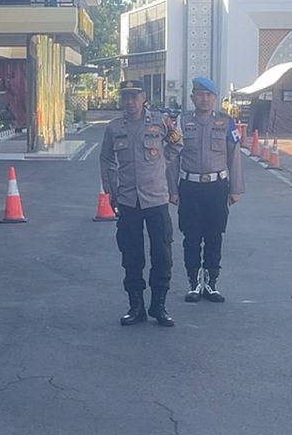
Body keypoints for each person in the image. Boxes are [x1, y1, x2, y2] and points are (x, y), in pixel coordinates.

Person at [100, 79, 182, 326]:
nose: (130, 101)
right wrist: (112, 189)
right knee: (131, 255)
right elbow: (106, 159)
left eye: (134, 96)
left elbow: (177, 143)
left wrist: (162, 164)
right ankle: (136, 306)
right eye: (126, 96)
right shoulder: (114, 128)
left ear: (144, 97)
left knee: (162, 254)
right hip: (128, 200)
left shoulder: (160, 122)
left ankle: (159, 305)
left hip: (156, 198)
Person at [176, 75, 244, 303]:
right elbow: (173, 156)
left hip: (217, 187)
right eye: (199, 94)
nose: (204, 99)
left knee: (214, 235)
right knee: (191, 236)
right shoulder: (182, 122)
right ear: (192, 97)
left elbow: (234, 156)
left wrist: (236, 188)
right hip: (190, 187)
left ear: (215, 98)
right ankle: (194, 283)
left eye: (208, 95)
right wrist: (172, 189)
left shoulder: (226, 122)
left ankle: (212, 283)